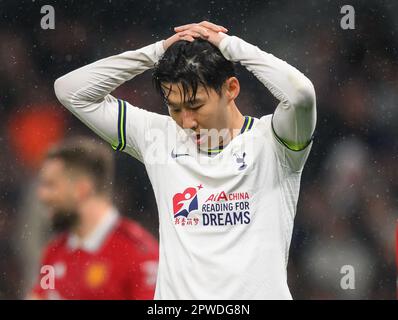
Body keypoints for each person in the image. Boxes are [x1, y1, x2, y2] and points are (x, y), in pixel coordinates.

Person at [53, 21, 316, 299]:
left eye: (195, 105)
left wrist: (230, 46)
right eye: (174, 108)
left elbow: (300, 94)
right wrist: (158, 51)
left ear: (231, 89)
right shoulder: (159, 138)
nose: (186, 121)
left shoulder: (274, 143)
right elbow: (70, 91)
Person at [29, 137, 159, 299]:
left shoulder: (139, 254)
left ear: (81, 189)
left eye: (51, 185)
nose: (42, 195)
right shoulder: (54, 253)